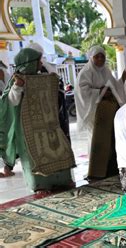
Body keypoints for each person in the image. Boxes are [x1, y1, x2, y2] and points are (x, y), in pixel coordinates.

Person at [0, 48, 75, 191]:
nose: (41, 64)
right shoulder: (17, 79)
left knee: (58, 150)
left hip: (48, 125)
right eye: (38, 61)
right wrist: (18, 86)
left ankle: (61, 180)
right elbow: (10, 103)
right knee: (34, 157)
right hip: (27, 129)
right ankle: (39, 184)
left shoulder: (43, 77)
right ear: (29, 62)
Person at [76, 46, 126, 180]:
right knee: (96, 140)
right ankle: (95, 171)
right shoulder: (86, 72)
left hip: (108, 112)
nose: (100, 59)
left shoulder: (106, 71)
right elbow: (82, 91)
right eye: (97, 56)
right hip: (94, 113)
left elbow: (114, 86)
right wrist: (100, 91)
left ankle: (110, 169)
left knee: (110, 139)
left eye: (102, 57)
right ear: (91, 58)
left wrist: (121, 81)